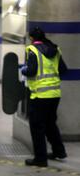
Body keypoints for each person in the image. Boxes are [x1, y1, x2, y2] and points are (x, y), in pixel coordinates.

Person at [20, 26, 68, 167]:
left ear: (32, 38)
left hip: (40, 95)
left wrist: (23, 70)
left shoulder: (33, 50)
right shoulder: (55, 49)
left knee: (37, 127)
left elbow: (31, 71)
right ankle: (59, 152)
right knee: (50, 124)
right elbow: (63, 69)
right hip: (54, 94)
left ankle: (40, 159)